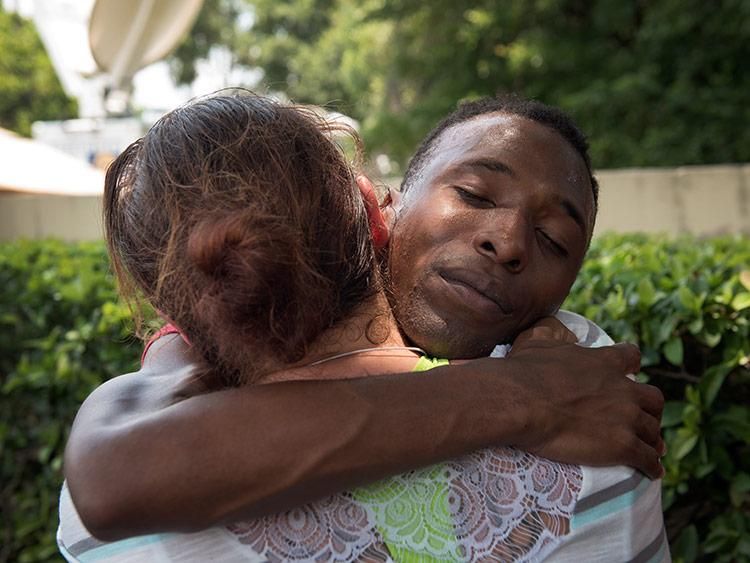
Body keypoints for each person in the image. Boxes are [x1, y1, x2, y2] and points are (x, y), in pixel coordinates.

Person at [60, 93, 667, 560]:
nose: (507, 242)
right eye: (475, 194)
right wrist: (525, 394)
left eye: (554, 239)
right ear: (380, 209)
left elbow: (117, 469)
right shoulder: (584, 390)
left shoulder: (116, 514)